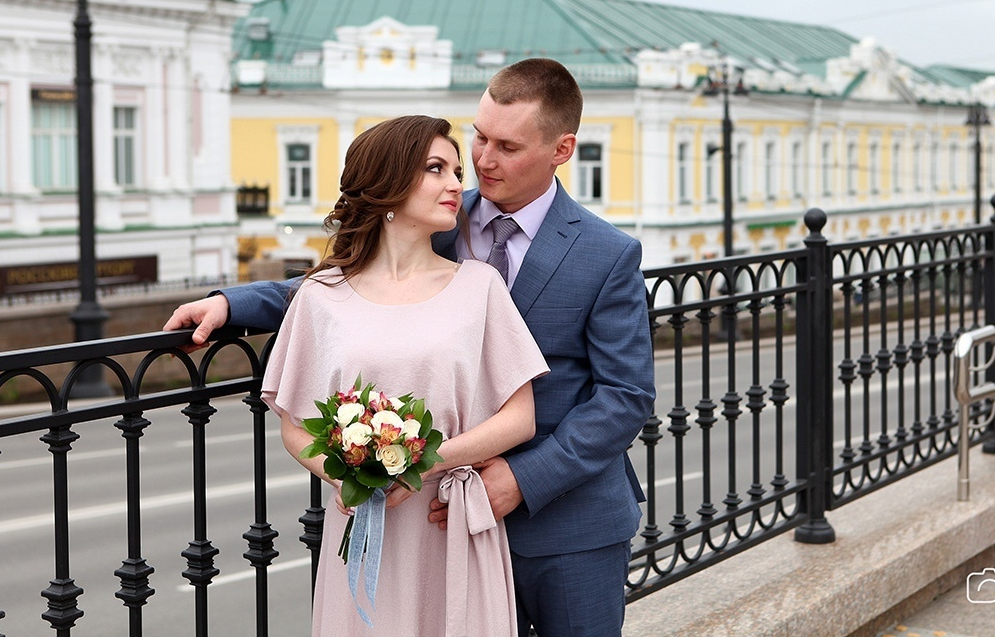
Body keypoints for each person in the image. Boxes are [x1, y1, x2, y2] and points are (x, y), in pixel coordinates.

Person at [165, 59, 656, 637]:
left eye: (506, 145)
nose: (482, 160)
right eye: (478, 136)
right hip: (433, 527)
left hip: (566, 524)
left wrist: (521, 480)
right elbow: (355, 282)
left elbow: (624, 397)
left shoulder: (607, 253)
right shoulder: (439, 212)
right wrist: (233, 305)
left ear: (561, 148)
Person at [260, 114, 549, 636]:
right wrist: (353, 476)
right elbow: (293, 427)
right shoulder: (321, 296)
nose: (456, 184)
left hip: (452, 519)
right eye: (435, 169)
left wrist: (416, 462)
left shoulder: (479, 286)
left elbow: (521, 418)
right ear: (389, 183)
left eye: (456, 170)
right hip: (365, 524)